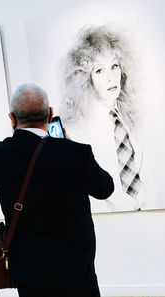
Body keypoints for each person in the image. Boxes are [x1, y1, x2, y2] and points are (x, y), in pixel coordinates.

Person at [0, 83, 114, 297]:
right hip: (76, 272)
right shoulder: (77, 154)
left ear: (12, 119)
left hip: (29, 273)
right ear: (51, 114)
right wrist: (66, 145)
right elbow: (105, 189)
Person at [59, 24, 156, 212]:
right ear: (85, 78)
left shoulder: (131, 116)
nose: (111, 77)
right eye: (99, 70)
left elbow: (147, 177)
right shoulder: (76, 130)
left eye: (114, 66)